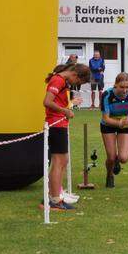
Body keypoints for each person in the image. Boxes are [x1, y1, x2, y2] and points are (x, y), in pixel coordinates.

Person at [41, 63, 91, 211]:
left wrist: (67, 108)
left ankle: (52, 196)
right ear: (75, 75)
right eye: (78, 82)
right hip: (55, 124)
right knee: (59, 161)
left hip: (59, 123)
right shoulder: (58, 80)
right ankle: (54, 200)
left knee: (62, 160)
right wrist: (65, 111)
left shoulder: (61, 81)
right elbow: (47, 102)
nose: (76, 85)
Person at [99, 72, 128, 188]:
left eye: (127, 87)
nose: (125, 90)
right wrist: (119, 123)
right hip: (108, 125)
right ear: (115, 84)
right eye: (122, 87)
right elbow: (105, 118)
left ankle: (117, 160)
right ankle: (109, 174)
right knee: (111, 157)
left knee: (124, 158)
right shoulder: (107, 95)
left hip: (125, 125)